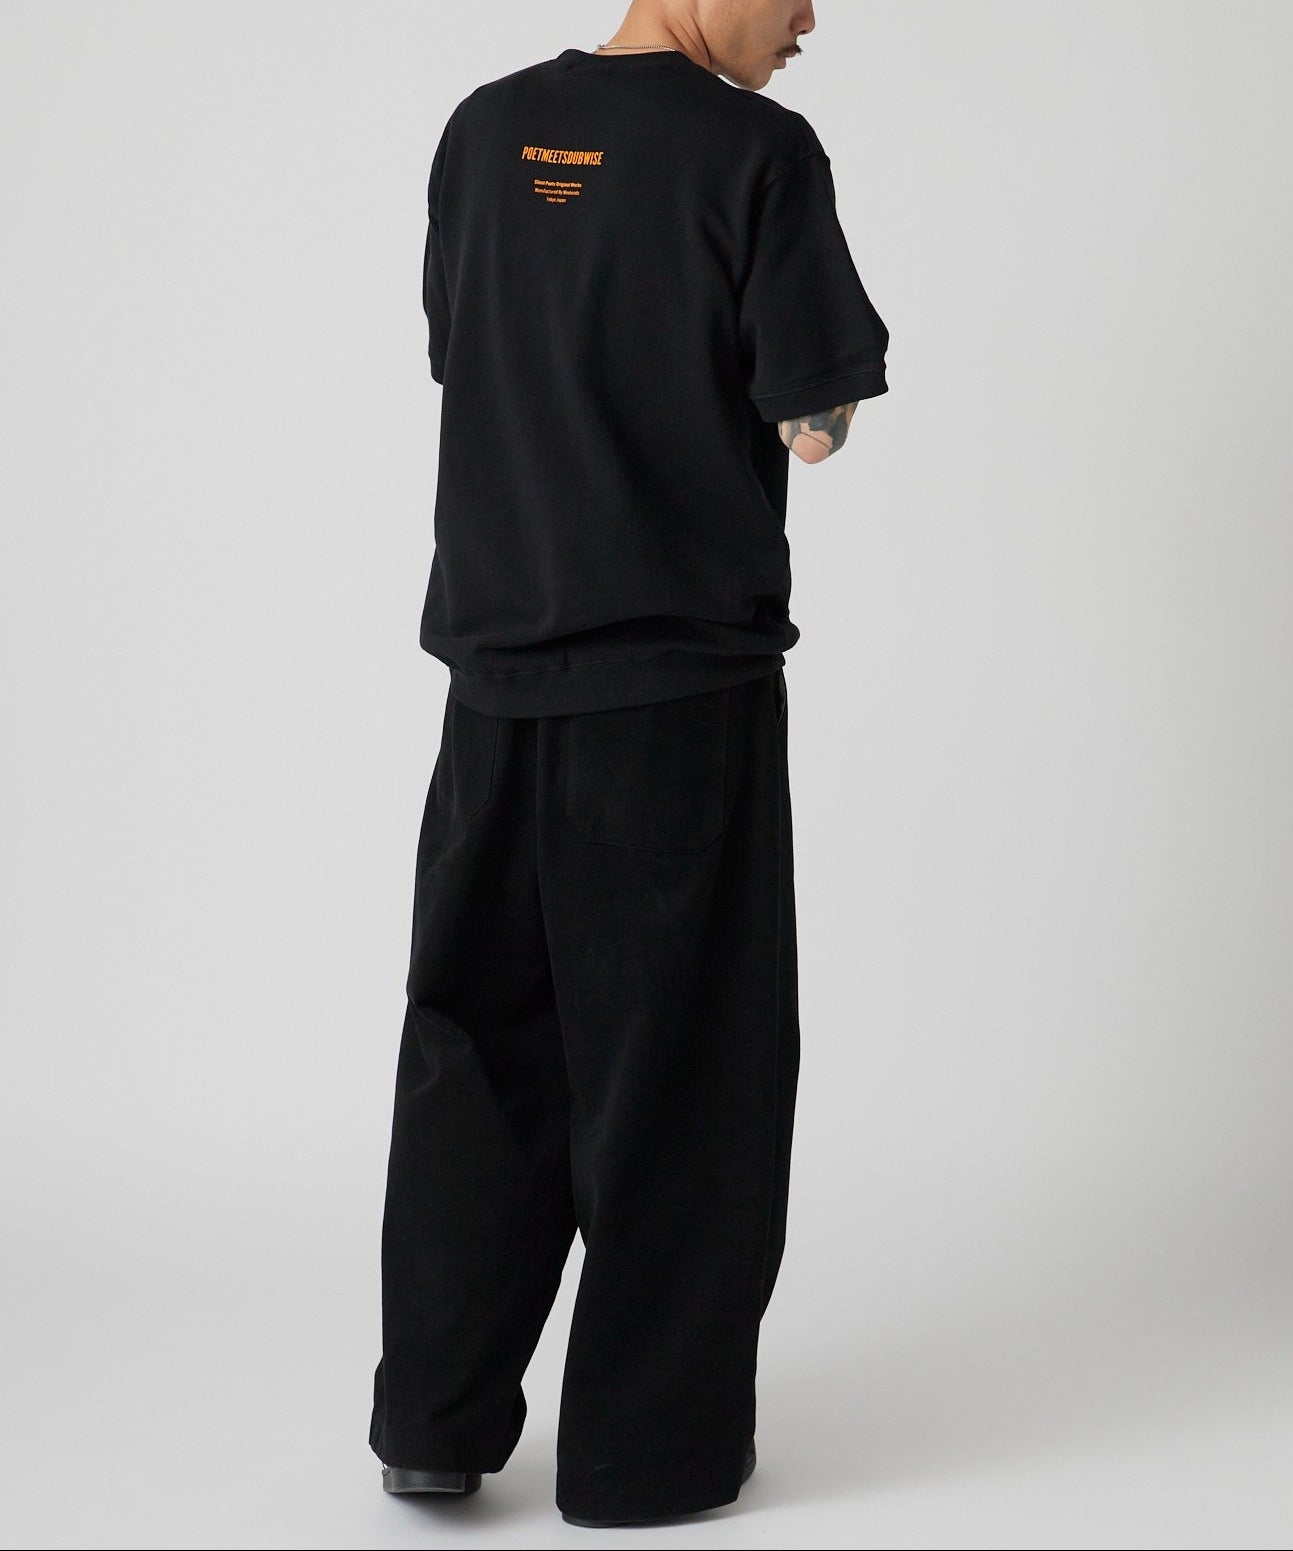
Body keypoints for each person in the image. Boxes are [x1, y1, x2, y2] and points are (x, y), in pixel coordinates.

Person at [368, 0, 890, 1528]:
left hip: (493, 682)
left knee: (475, 1058)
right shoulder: (756, 155)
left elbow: (463, 350)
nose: (809, 18)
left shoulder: (481, 132)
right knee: (685, 1079)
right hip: (673, 694)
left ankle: (432, 1425)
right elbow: (810, 416)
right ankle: (643, 1459)